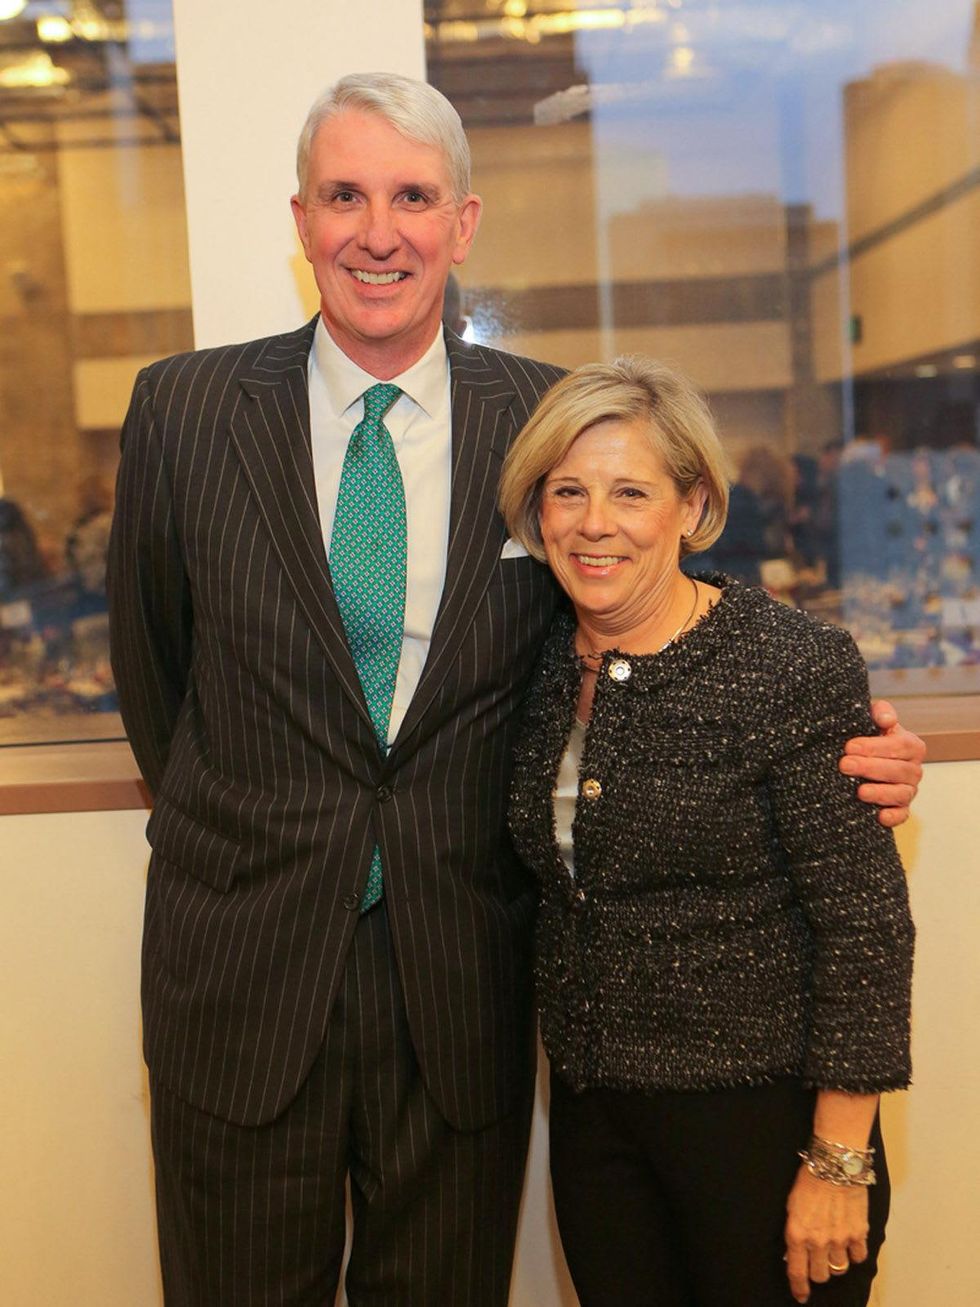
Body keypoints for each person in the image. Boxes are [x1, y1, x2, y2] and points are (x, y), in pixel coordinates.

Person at [107, 73, 923, 1306]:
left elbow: (659, 612)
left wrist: (843, 744)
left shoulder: (547, 421)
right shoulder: (183, 409)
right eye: (344, 195)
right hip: (239, 971)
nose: (377, 231)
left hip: (460, 982)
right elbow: (155, 676)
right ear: (301, 217)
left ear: (462, 222)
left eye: (411, 197)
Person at [499, 355, 915, 1307]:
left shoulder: (787, 663)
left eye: (630, 492)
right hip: (597, 1129)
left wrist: (839, 1158)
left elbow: (864, 927)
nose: (594, 522)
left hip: (763, 1127)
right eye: (568, 491)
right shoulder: (535, 664)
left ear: (691, 504)